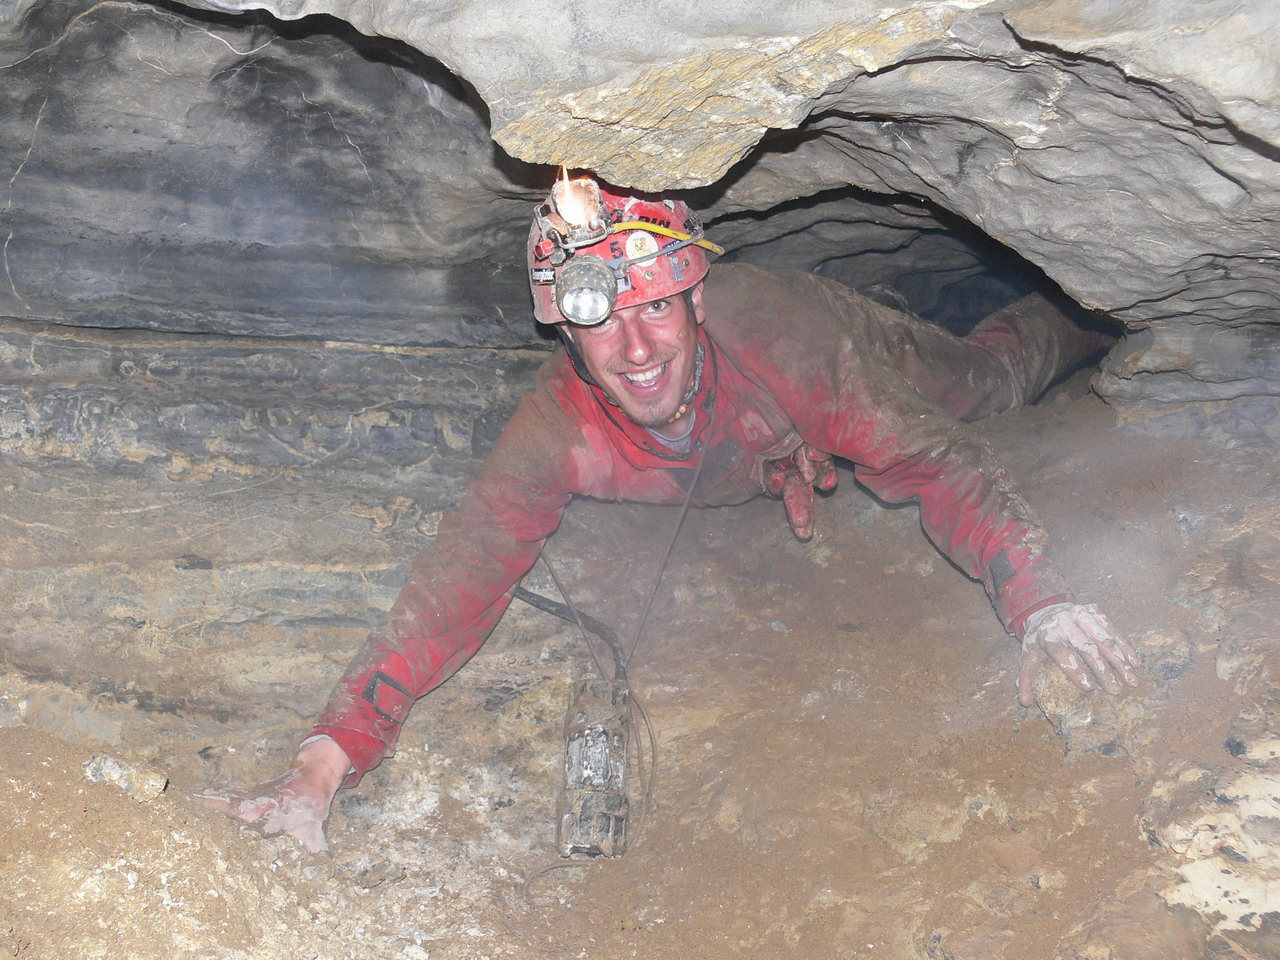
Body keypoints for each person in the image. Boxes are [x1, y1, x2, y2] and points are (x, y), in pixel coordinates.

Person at [197, 179, 1140, 853]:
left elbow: (934, 463)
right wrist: (323, 764)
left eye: (656, 310)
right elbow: (458, 580)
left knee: (987, 382)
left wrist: (1041, 603)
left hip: (837, 341)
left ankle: (1099, 313)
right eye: (600, 322)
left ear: (696, 300)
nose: (636, 348)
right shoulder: (559, 427)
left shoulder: (777, 339)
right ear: (566, 333)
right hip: (752, 439)